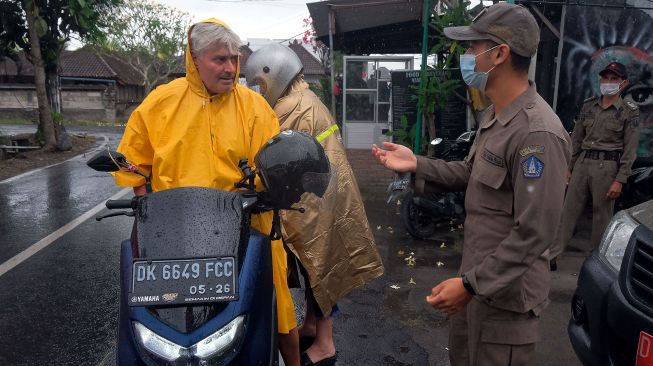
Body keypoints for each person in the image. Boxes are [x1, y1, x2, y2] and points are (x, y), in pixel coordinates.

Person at [371, 3, 571, 365]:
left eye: (472, 47)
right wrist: (417, 164)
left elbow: (535, 232)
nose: (465, 56)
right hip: (476, 285)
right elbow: (469, 172)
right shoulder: (496, 116)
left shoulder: (537, 133)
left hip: (504, 305)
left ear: (500, 54)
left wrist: (469, 286)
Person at [113, 19, 300, 366]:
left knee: (281, 319)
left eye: (234, 59)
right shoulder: (161, 103)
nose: (230, 68)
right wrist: (143, 201)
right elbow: (132, 162)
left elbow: (275, 164)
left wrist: (277, 185)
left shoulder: (254, 107)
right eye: (220, 60)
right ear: (195, 60)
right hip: (172, 236)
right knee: (158, 319)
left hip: (245, 230)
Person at [244, 43, 384, 366]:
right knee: (314, 266)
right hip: (322, 192)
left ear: (273, 76)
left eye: (258, 84)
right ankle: (312, 324)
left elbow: (266, 151)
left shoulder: (291, 108)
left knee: (321, 266)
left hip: (315, 197)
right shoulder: (303, 96)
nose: (256, 91)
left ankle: (325, 343)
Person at [550, 62, 640, 266]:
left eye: (614, 79)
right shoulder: (589, 105)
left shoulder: (629, 112)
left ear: (623, 83)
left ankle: (594, 263)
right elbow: (577, 140)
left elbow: (630, 149)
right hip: (583, 163)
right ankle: (552, 256)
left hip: (607, 168)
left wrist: (620, 179)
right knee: (567, 212)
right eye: (605, 78)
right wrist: (569, 167)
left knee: (601, 217)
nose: (608, 83)